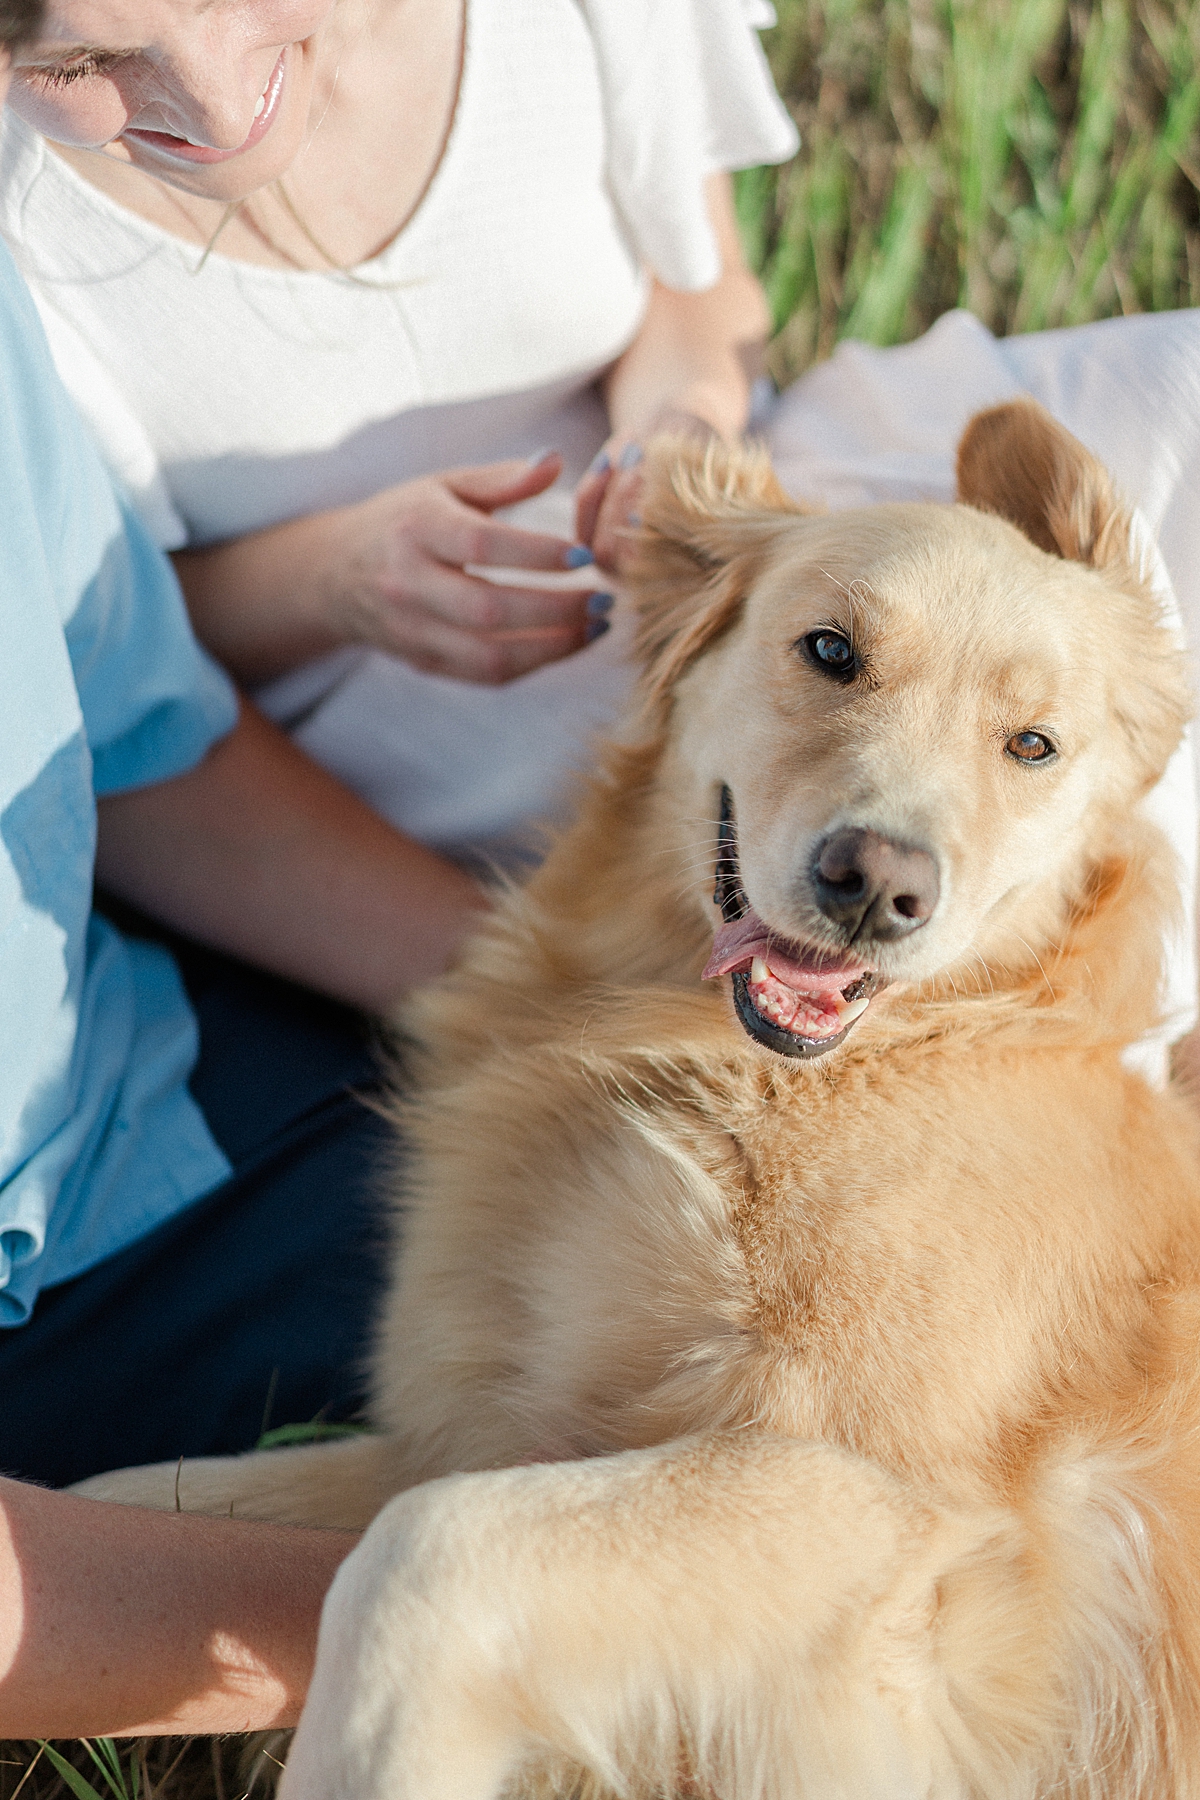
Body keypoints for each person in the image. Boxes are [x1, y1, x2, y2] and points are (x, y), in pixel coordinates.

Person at [0, 0, 796, 871]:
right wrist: (332, 581)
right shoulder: (24, 254)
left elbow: (697, 287)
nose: (220, 113)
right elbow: (99, 667)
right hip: (433, 807)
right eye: (75, 66)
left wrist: (682, 427)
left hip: (743, 644)